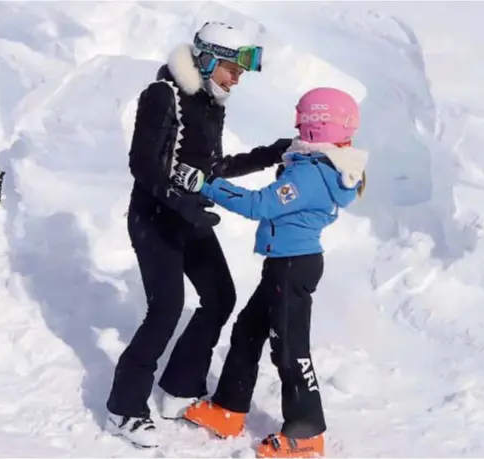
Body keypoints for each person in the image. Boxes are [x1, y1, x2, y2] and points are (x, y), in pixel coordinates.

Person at [105, 21, 292, 448]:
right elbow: (142, 164)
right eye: (232, 69)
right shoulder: (163, 94)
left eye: (240, 73)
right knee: (166, 307)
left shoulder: (210, 101)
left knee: (220, 296)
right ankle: (123, 406)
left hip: (187, 216)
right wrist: (180, 199)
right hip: (154, 216)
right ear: (207, 60)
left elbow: (212, 168)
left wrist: (270, 153)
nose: (237, 78)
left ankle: (180, 386)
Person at [172, 87, 368, 458]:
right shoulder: (321, 165)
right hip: (285, 263)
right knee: (248, 330)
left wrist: (205, 184)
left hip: (293, 268)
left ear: (313, 125)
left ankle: (306, 431)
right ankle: (229, 409)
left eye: (300, 120)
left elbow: (259, 205)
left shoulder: (312, 174)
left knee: (290, 348)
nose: (295, 126)